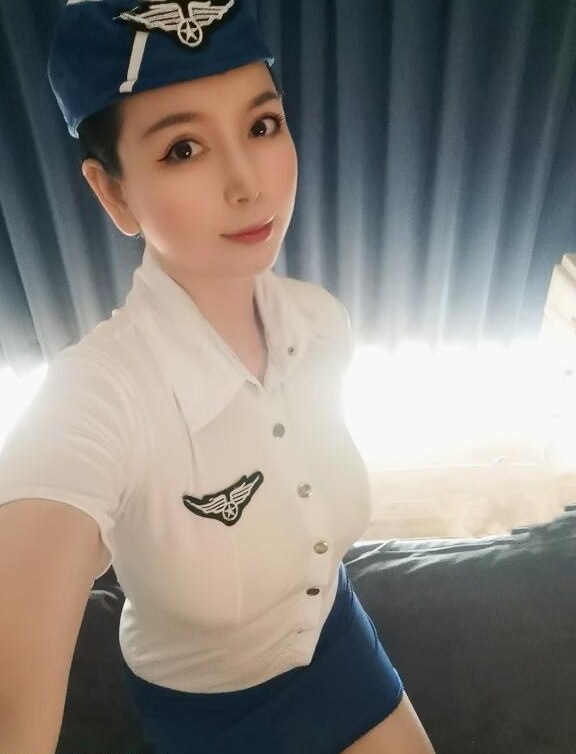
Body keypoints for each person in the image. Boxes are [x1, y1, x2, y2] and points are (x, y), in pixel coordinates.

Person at [0, 1, 436, 752]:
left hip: (337, 642)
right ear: (113, 193)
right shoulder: (96, 397)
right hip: (208, 711)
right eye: (184, 149)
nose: (247, 184)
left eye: (262, 126)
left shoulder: (321, 323)